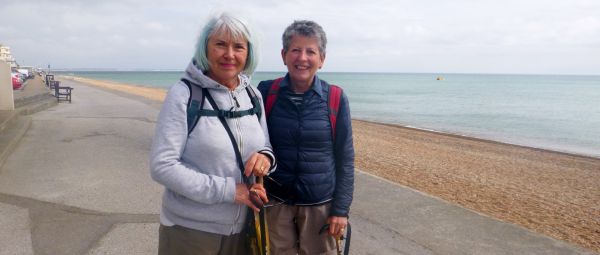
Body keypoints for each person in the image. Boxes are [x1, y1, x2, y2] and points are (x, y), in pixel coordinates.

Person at [150, 12, 275, 255]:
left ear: (248, 53)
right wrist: (230, 191)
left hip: (244, 230)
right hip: (191, 232)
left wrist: (265, 158)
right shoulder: (183, 94)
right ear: (205, 48)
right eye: (220, 44)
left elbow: (266, 145)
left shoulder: (252, 96)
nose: (229, 54)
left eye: (238, 46)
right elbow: (162, 166)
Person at [257, 20, 355, 255]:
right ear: (284, 55)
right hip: (276, 204)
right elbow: (255, 145)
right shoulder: (265, 92)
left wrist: (341, 210)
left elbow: (346, 159)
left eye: (311, 51)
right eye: (295, 50)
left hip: (320, 207)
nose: (302, 58)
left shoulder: (335, 98)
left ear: (322, 58)